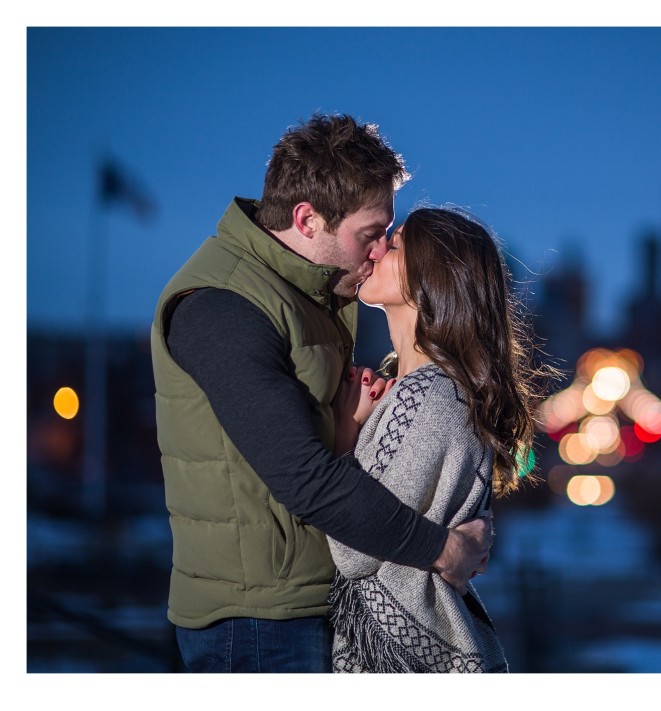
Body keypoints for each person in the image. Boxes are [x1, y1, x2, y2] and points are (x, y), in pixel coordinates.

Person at [150, 114, 492, 673]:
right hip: (258, 619)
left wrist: (351, 430)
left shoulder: (313, 289)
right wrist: (445, 549)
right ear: (308, 219)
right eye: (369, 233)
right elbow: (304, 476)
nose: (379, 251)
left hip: (311, 603)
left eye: (388, 234)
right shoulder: (223, 306)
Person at [326, 207, 545, 673]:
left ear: (433, 280)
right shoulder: (432, 390)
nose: (378, 248)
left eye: (398, 244)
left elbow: (351, 553)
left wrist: (345, 438)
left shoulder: (427, 396)